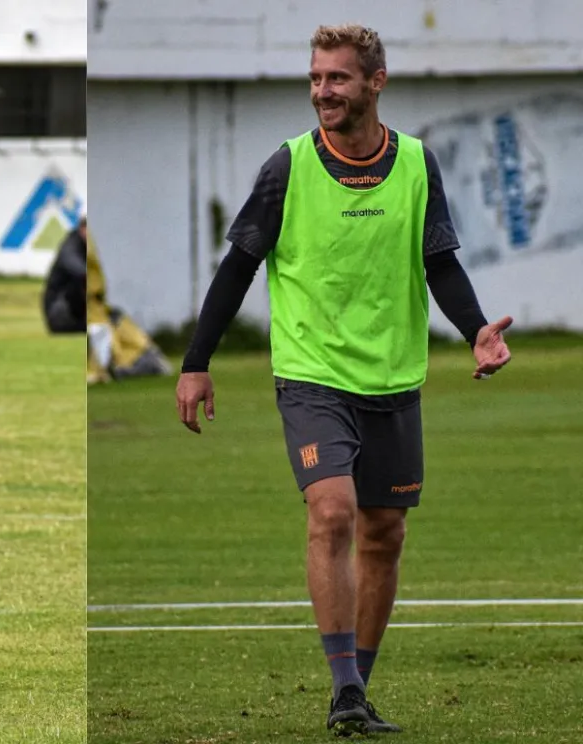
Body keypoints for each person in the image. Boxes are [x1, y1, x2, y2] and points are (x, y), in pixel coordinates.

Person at [175, 24, 512, 737]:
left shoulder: (418, 164)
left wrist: (475, 329)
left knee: (384, 532)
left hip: (392, 377)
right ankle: (343, 688)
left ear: (375, 81)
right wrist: (196, 362)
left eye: (338, 78)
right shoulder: (287, 166)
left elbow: (440, 262)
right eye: (317, 77)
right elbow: (237, 266)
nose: (323, 91)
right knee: (331, 512)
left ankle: (357, 688)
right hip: (311, 375)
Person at [43, 216, 88, 334]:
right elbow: (77, 269)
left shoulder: (88, 248)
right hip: (60, 313)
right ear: (82, 229)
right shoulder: (70, 246)